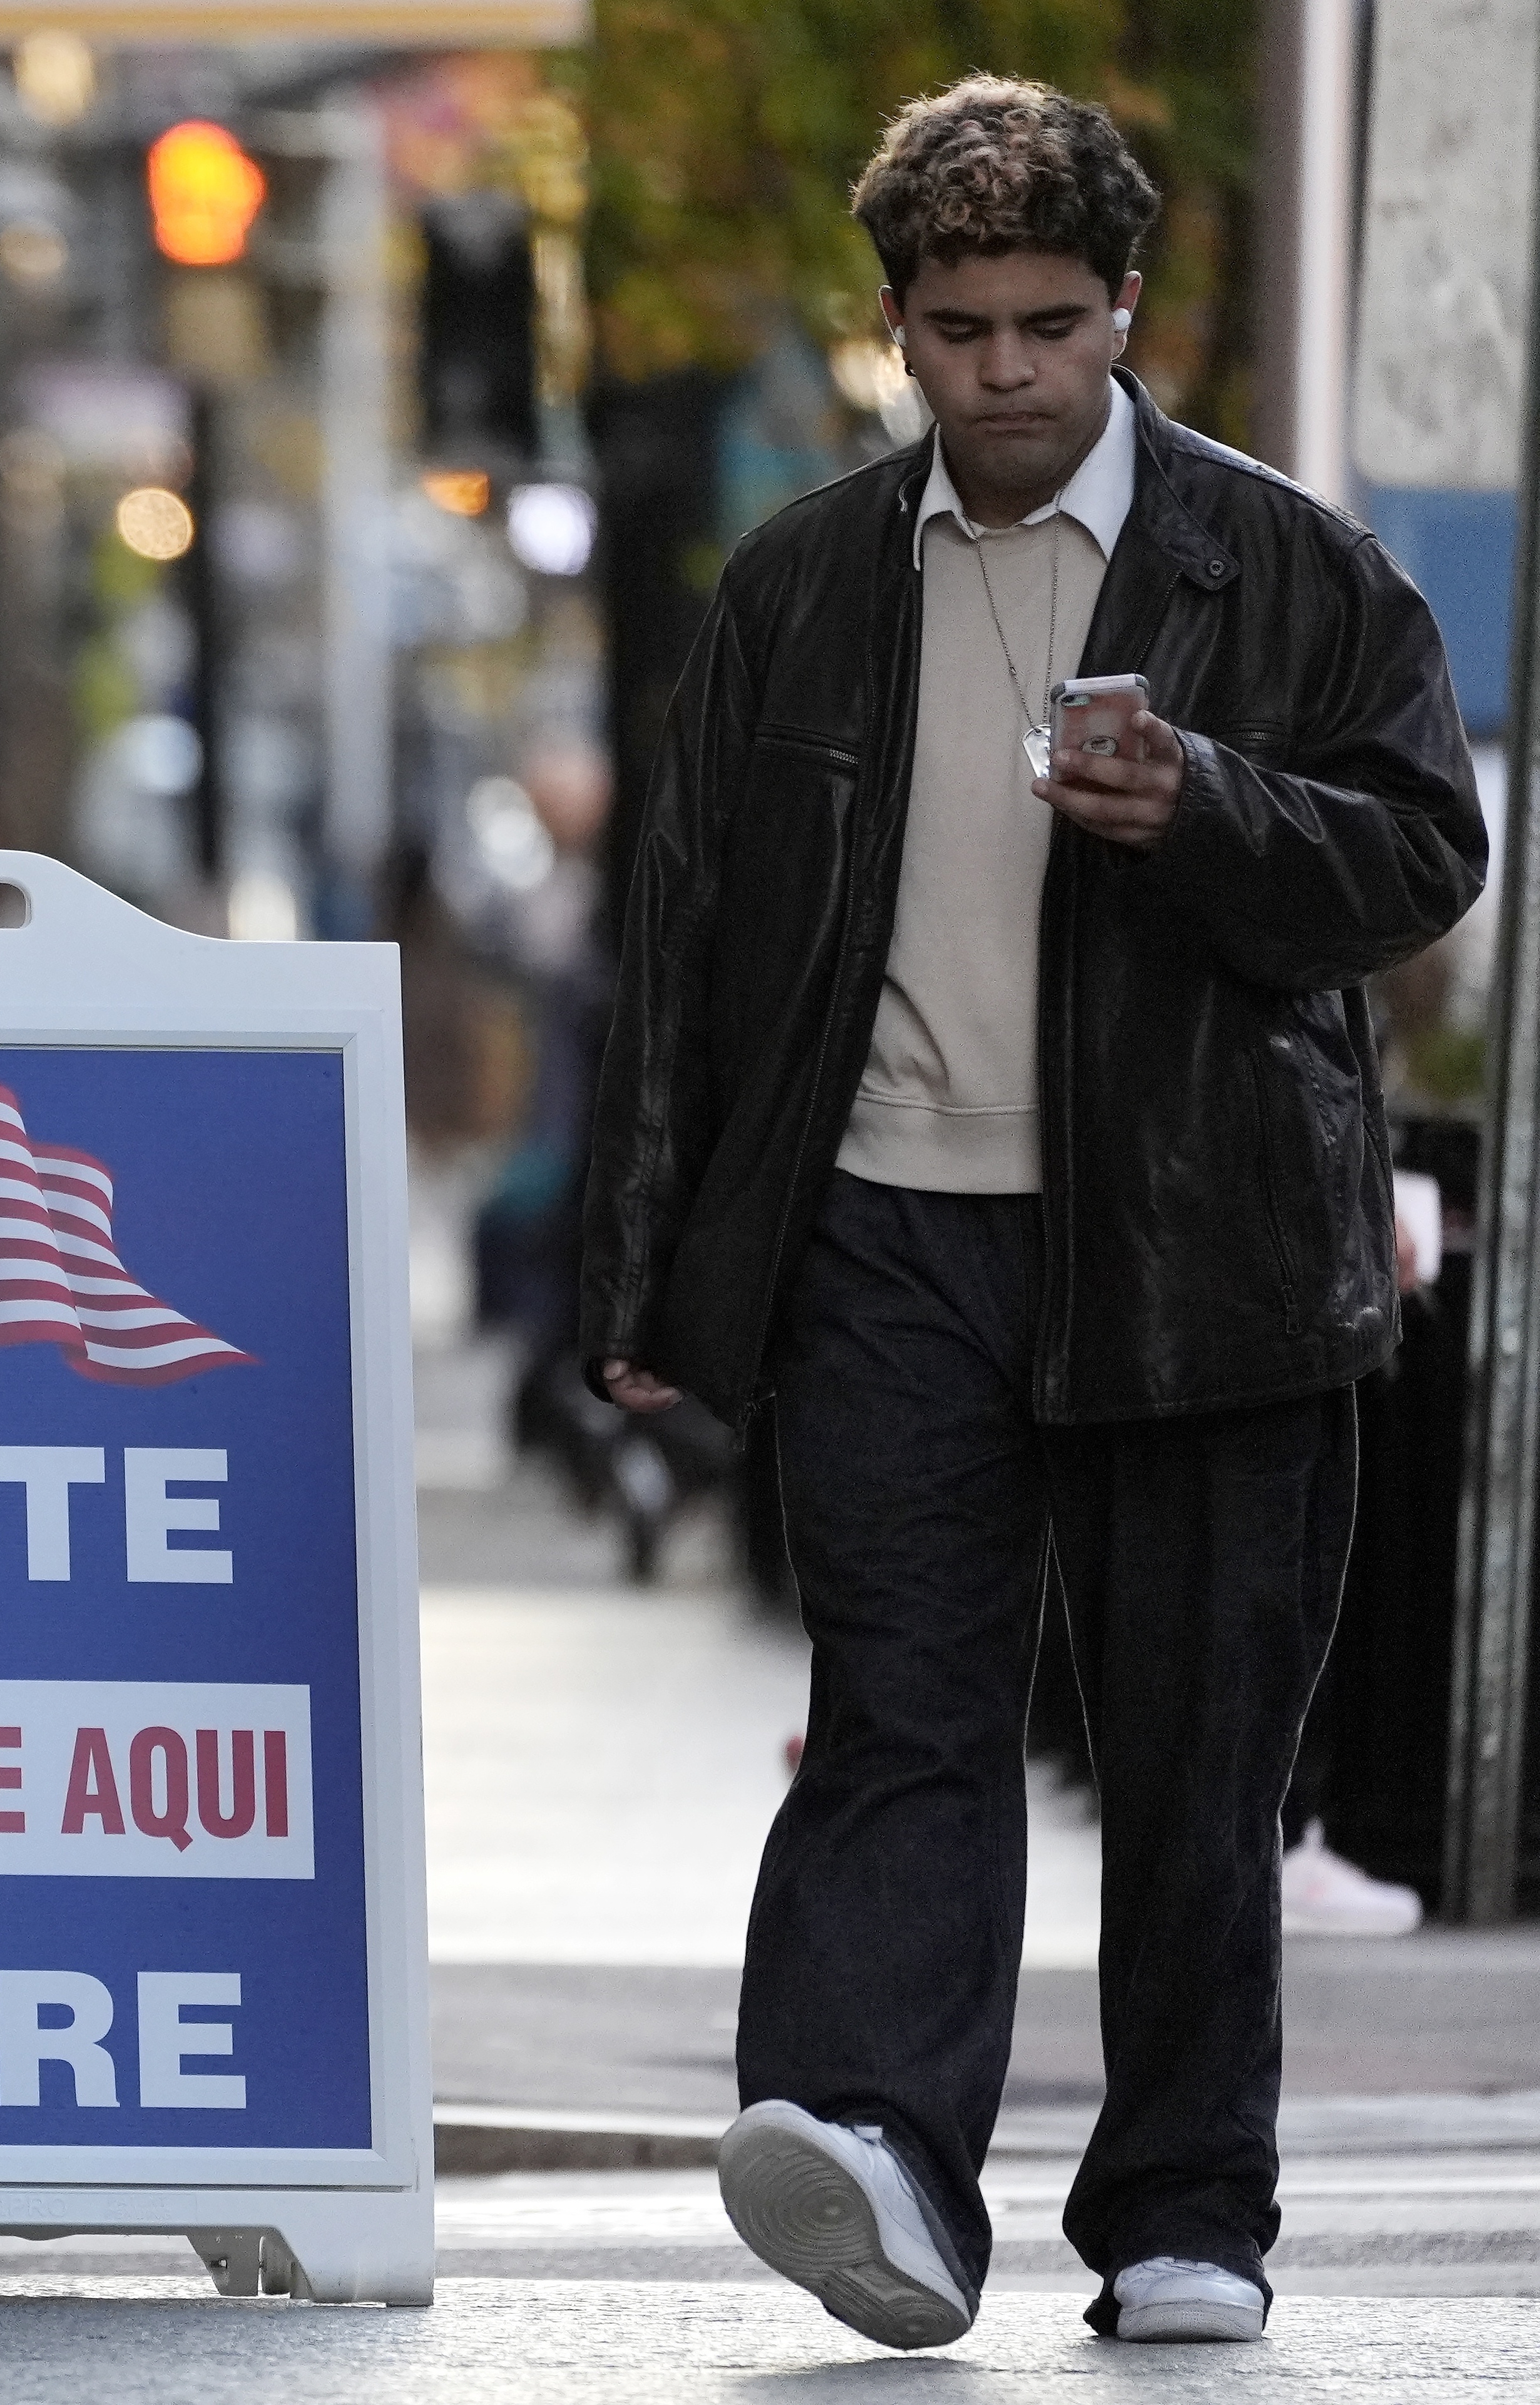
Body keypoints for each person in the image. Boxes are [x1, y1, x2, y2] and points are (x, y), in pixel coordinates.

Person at [581, 78, 1482, 2350]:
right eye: (962, 326)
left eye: (1051, 324)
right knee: (898, 1705)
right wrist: (645, 1278)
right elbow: (686, 942)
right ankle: (872, 2141)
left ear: (1124, 314)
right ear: (893, 324)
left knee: (1198, 1749)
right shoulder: (799, 583)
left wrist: (1202, 804)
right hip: (891, 1231)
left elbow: (1418, 861)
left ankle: (1188, 2211)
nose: (1007, 370)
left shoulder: (1282, 568)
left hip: (1198, 1253)